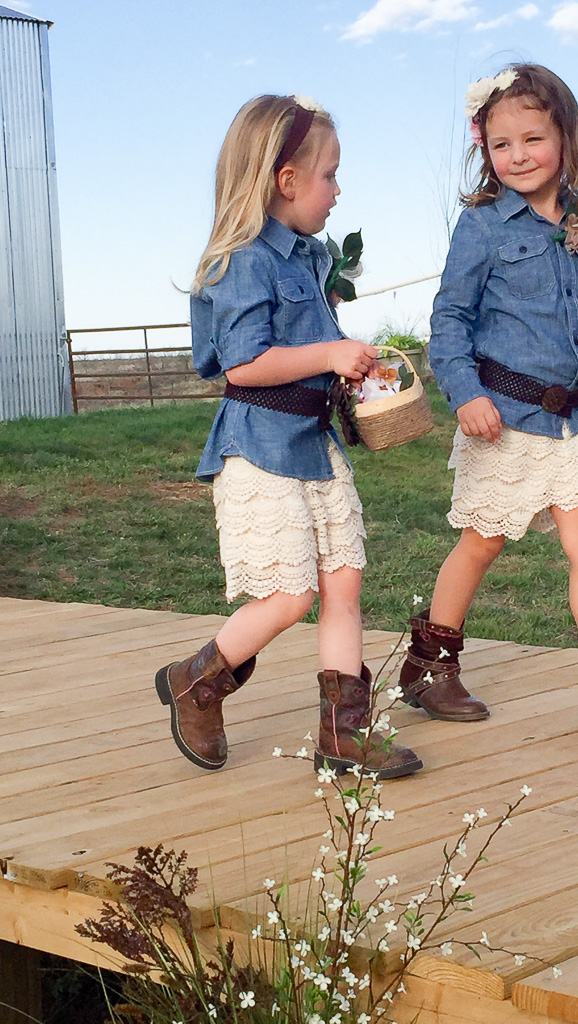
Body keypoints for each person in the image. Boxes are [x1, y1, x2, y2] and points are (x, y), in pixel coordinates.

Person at [399, 64, 578, 735]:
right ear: (484, 149)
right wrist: (464, 393)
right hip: (503, 413)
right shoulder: (483, 227)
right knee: (483, 540)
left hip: (571, 417)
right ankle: (430, 666)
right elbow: (449, 320)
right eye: (502, 144)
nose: (518, 155)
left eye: (532, 138)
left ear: (565, 136)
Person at [155, 94, 422, 778]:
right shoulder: (245, 259)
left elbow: (315, 343)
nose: (338, 190)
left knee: (344, 583)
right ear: (286, 180)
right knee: (290, 595)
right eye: (330, 175)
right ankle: (198, 679)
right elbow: (246, 363)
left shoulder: (308, 257)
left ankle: (344, 735)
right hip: (261, 447)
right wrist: (329, 356)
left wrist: (351, 366)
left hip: (313, 442)